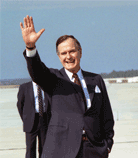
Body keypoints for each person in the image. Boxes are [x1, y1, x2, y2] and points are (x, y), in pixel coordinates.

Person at [20, 15, 114, 158]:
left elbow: (106, 115)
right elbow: (37, 72)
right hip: (62, 150)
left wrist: (107, 145)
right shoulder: (54, 79)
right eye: (63, 53)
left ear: (80, 52)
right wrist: (30, 47)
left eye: (72, 51)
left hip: (93, 150)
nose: (68, 56)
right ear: (58, 57)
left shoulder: (96, 80)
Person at [17, 81, 51, 158]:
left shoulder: (46, 87)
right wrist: (25, 118)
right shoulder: (24, 87)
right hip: (31, 120)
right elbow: (20, 105)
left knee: (44, 147)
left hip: (44, 119)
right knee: (30, 147)